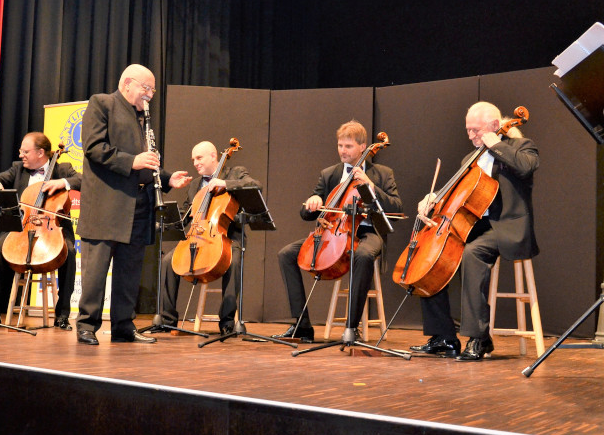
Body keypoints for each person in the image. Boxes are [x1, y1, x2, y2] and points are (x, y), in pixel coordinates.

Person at [74, 64, 192, 345]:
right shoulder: (101, 103)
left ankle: (123, 326)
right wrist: (133, 161)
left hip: (139, 205)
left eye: (152, 90)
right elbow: (93, 148)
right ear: (127, 84)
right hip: (105, 206)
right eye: (146, 88)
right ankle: (86, 326)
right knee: (96, 271)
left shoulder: (143, 117)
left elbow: (145, 163)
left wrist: (166, 177)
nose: (150, 95)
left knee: (130, 272)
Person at [414, 101, 539, 361]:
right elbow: (457, 194)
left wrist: (495, 144)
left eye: (476, 130)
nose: (471, 136)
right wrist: (432, 198)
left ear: (495, 126)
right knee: (432, 255)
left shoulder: (520, 147)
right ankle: (443, 336)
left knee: (472, 253)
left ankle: (479, 339)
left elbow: (526, 167)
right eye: (468, 130)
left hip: (506, 226)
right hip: (476, 225)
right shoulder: (468, 159)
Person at [277, 120, 402, 342]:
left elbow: (396, 207)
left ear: (363, 147)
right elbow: (307, 213)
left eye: (348, 146)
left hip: (368, 232)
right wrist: (313, 202)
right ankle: (301, 326)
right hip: (333, 233)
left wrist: (371, 187)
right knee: (286, 253)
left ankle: (351, 328)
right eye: (340, 146)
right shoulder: (329, 174)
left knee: (362, 255)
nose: (342, 151)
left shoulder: (382, 173)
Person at [0, 131, 81, 330]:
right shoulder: (18, 169)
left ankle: (63, 315)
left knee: (70, 252)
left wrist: (63, 183)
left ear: (41, 153)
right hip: (22, 227)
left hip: (53, 228)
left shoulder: (63, 168)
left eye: (25, 151)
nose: (21, 155)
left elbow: (84, 181)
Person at [153, 141, 260, 337]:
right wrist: (169, 222)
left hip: (227, 236)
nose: (195, 163)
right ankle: (167, 320)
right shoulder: (195, 184)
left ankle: (227, 322)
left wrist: (225, 184)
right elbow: (187, 213)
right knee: (169, 261)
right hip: (198, 235)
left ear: (213, 156)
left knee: (233, 261)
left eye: (199, 158)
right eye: (193, 159)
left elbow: (254, 185)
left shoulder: (234, 173)